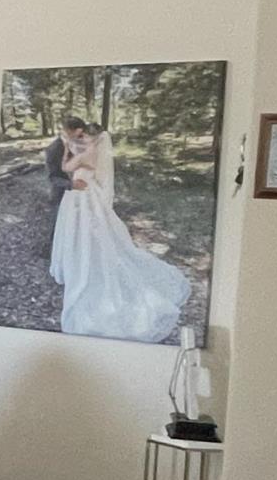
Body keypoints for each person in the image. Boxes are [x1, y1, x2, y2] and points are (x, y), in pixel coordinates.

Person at [47, 117, 190, 341]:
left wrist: (66, 151)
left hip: (80, 196)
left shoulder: (83, 152)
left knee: (81, 232)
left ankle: (82, 261)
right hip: (86, 193)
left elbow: (66, 168)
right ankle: (83, 256)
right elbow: (62, 172)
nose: (81, 138)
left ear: (87, 135)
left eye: (84, 135)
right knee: (88, 232)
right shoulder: (92, 151)